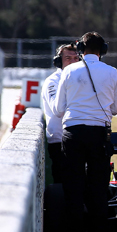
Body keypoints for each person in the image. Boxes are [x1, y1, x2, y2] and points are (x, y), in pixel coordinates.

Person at [52, 31, 117, 232]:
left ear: (81, 50)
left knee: (74, 187)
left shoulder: (69, 71)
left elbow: (58, 109)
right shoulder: (112, 72)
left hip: (73, 133)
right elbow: (116, 109)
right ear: (103, 50)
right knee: (98, 187)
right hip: (100, 134)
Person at [42, 44, 79, 184]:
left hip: (77, 139)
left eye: (76, 58)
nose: (73, 61)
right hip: (59, 141)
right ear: (59, 61)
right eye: (68, 58)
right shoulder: (52, 82)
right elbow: (58, 110)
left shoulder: (82, 80)